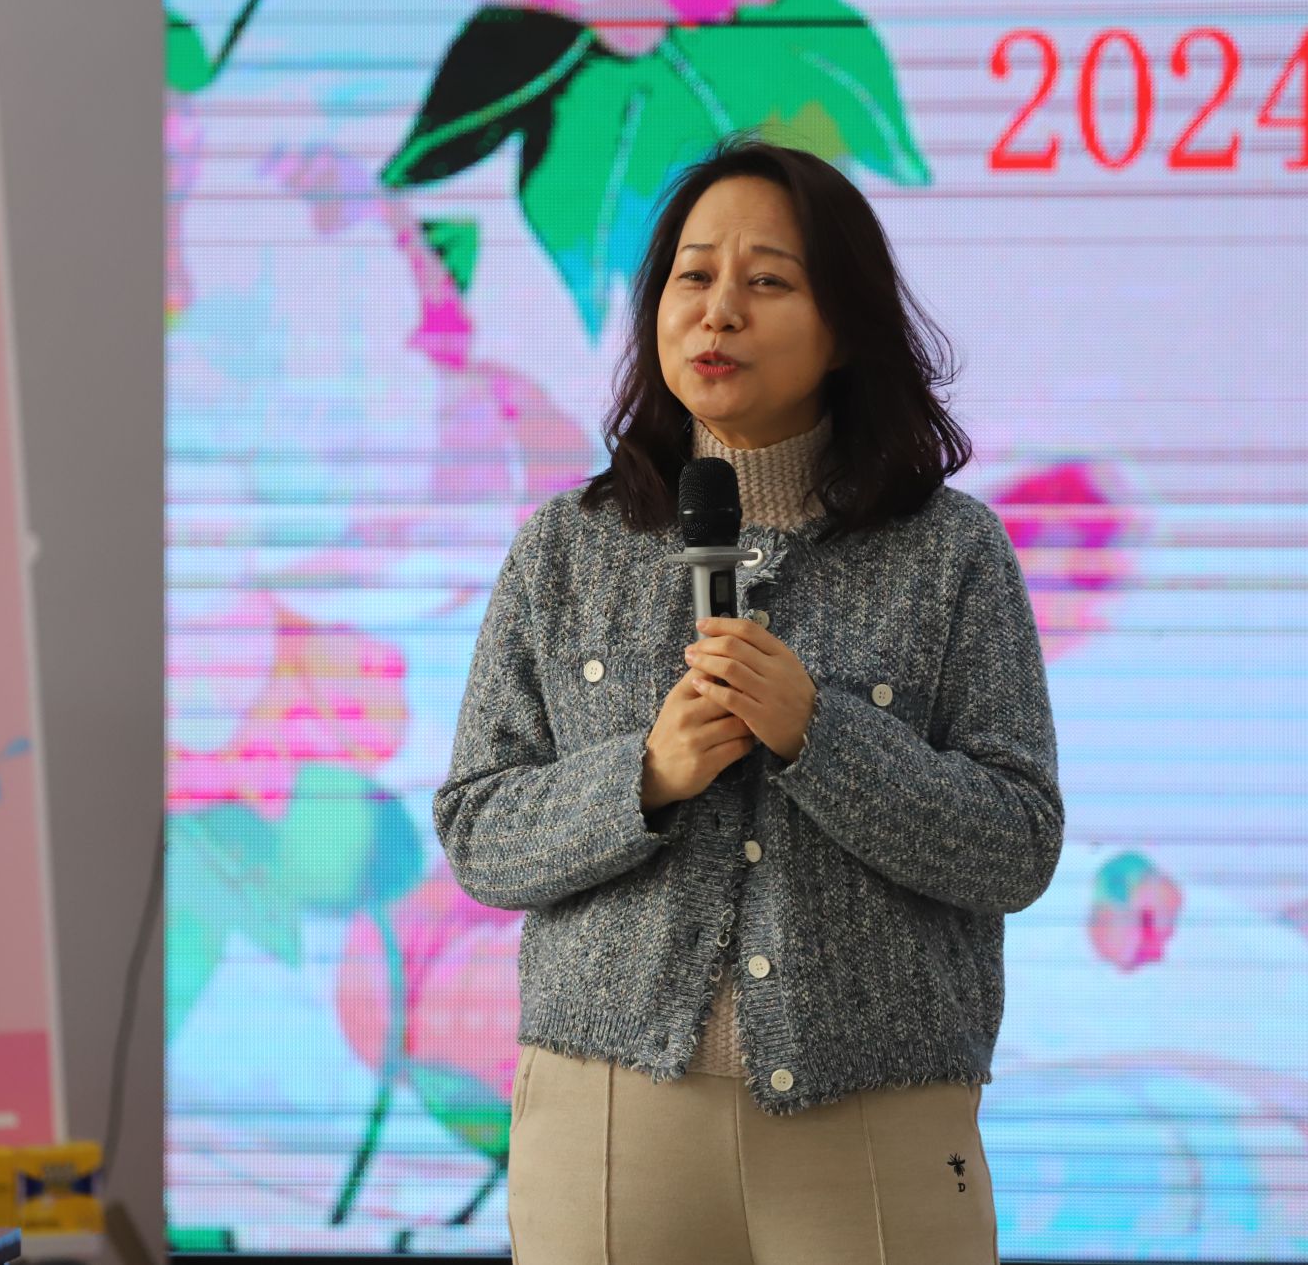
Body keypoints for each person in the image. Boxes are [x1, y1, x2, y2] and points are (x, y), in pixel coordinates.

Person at [432, 134, 1064, 1264]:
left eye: (766, 281)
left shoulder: (950, 553)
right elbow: (479, 833)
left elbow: (1015, 845)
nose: (717, 310)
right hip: (608, 1113)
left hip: (875, 1117)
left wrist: (822, 736)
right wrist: (644, 777)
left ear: (844, 328)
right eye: (692, 276)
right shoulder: (565, 549)